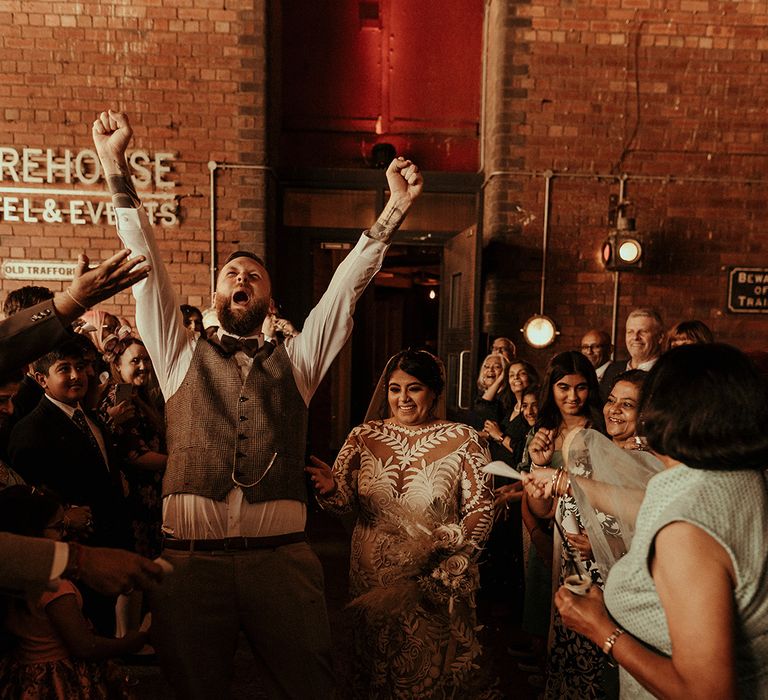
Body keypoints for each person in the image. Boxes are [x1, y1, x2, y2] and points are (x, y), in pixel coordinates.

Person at [92, 108, 423, 699]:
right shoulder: (176, 354)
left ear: (270, 302)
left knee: (309, 688)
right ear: (215, 294)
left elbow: (346, 289)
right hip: (190, 565)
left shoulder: (297, 362)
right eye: (230, 273)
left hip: (281, 563)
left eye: (254, 275)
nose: (240, 277)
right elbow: (147, 272)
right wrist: (117, 169)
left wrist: (393, 209)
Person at [551, 344, 768, 698]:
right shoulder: (738, 477)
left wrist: (602, 629)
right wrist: (567, 484)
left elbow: (707, 693)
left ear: (663, 411)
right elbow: (646, 504)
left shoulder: (686, 532)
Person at [306, 349, 495, 697]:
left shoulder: (466, 440)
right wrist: (331, 488)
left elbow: (481, 508)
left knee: (429, 674)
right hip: (370, 579)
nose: (403, 398)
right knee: (375, 669)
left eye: (414, 388)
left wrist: (449, 559)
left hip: (432, 581)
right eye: (395, 389)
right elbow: (343, 504)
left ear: (434, 393)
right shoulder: (363, 437)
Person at [0, 486, 147, 699]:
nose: (66, 532)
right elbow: (84, 646)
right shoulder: (55, 587)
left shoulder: (13, 579)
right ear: (31, 532)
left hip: (22, 675)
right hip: (57, 679)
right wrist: (127, 643)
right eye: (59, 526)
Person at [524, 351, 609, 700]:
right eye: (563, 387)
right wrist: (536, 461)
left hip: (590, 542)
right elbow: (536, 498)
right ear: (551, 388)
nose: (572, 397)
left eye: (581, 387)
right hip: (548, 531)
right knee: (548, 616)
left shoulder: (601, 430)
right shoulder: (542, 431)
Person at [602, 309, 664, 391]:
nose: (635, 337)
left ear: (660, 337)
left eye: (643, 332)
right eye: (630, 332)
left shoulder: (670, 374)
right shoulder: (613, 370)